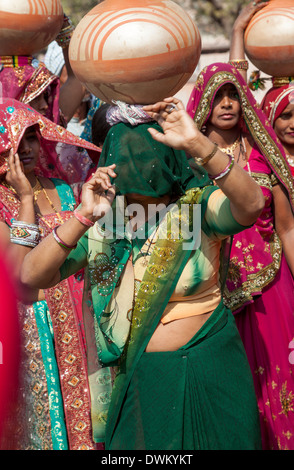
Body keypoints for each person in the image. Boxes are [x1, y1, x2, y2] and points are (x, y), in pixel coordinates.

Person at [20, 95, 264, 450]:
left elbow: (252, 204)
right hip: (143, 378)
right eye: (126, 154)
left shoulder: (196, 207)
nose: (138, 164)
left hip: (209, 366)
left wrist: (198, 143)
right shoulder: (105, 223)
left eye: (147, 152)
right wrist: (83, 217)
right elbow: (31, 277)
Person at [186, 61, 294, 450]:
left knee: (282, 380)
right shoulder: (189, 159)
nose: (228, 104)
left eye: (234, 94)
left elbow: (286, 228)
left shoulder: (263, 154)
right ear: (202, 103)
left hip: (272, 289)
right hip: (210, 291)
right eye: (218, 97)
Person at [0, 98, 102, 450]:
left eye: (31, 138)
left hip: (77, 319)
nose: (25, 148)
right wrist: (25, 200)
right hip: (31, 327)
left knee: (88, 421)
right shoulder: (1, 199)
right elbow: (15, 274)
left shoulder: (60, 187)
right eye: (16, 140)